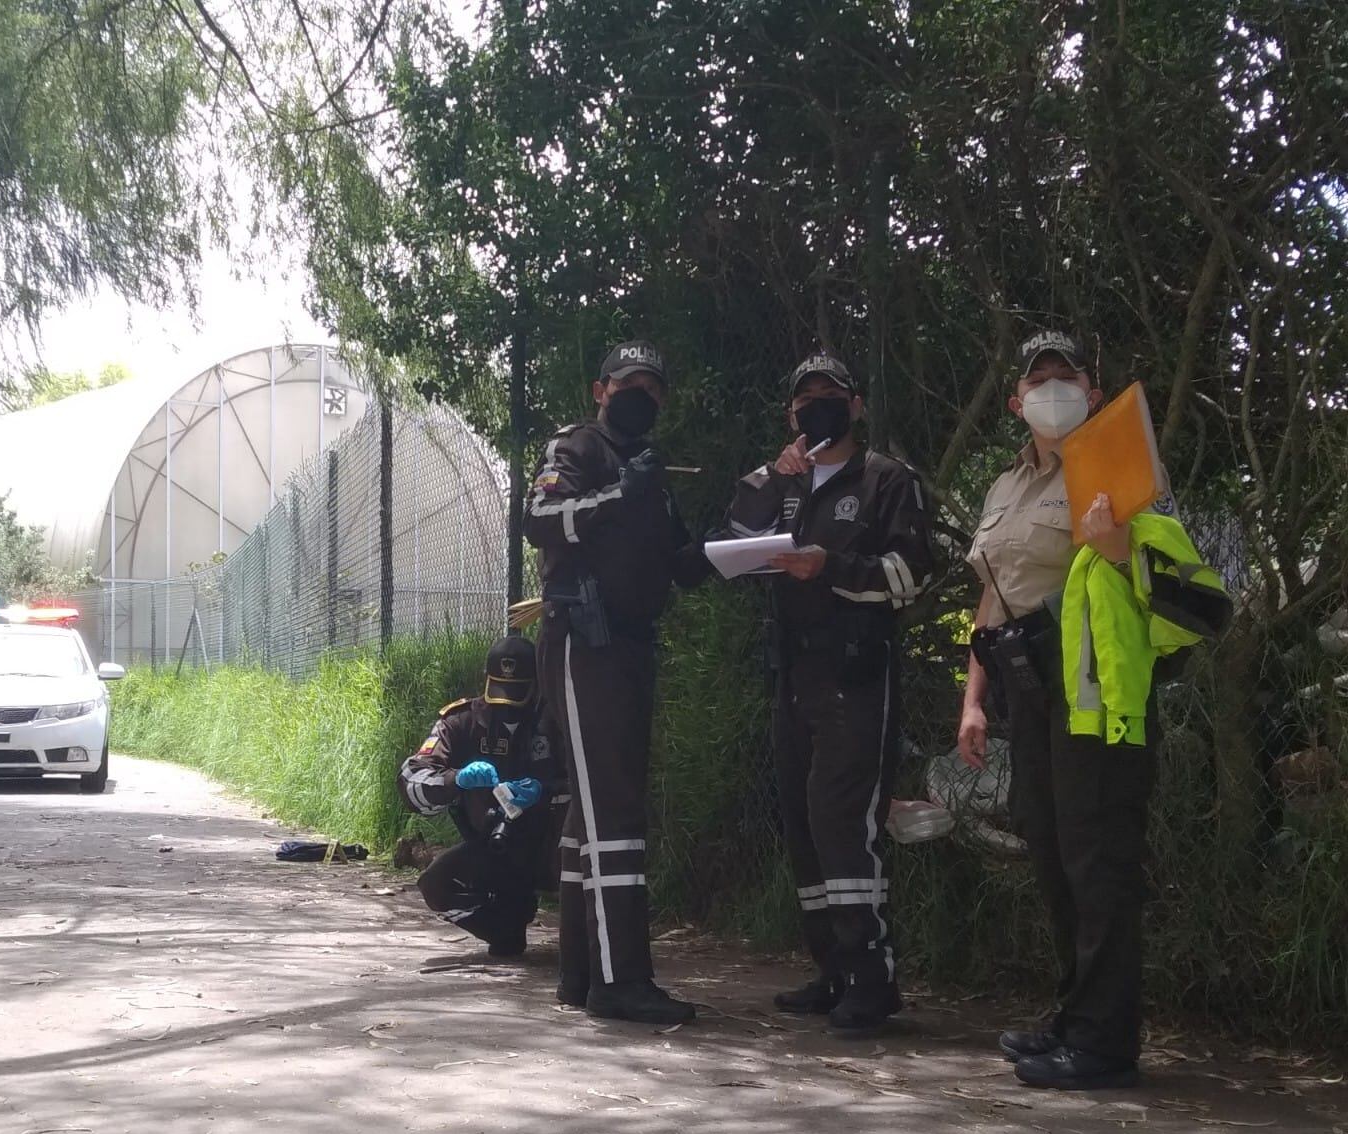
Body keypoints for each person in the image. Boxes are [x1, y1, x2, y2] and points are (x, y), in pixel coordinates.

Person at [958, 330, 1230, 1089]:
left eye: (1066, 376)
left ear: (1093, 392)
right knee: (1050, 853)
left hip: (1096, 693)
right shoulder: (1005, 485)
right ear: (1015, 402)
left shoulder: (1120, 468)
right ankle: (1074, 1017)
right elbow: (993, 597)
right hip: (1026, 688)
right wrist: (973, 702)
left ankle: (1105, 1043)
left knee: (1097, 861)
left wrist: (1116, 550)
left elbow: (1178, 584)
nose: (1052, 388)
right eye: (1037, 379)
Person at [724, 350, 934, 1032]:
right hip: (792, 676)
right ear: (791, 414)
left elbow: (911, 574)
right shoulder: (785, 482)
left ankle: (872, 978)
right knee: (804, 822)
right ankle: (832, 970)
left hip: (856, 674)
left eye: (830, 395)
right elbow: (735, 542)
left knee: (842, 820)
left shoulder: (886, 480)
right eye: (805, 398)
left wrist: (830, 566)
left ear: (856, 406)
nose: (817, 406)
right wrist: (770, 476)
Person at [525, 339, 712, 1024]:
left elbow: (679, 560)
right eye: (629, 383)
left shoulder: (652, 470)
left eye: (653, 388)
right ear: (601, 390)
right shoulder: (577, 448)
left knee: (595, 810)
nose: (642, 395)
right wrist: (616, 494)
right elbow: (538, 521)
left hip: (632, 643)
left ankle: (581, 974)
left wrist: (738, 546)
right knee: (614, 809)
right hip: (586, 638)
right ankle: (620, 979)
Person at [396, 635, 568, 957]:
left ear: (537, 685)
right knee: (436, 883)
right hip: (493, 845)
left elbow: (591, 782)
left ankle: (584, 947)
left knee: (581, 865)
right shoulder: (462, 721)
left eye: (518, 693)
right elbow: (410, 780)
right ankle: (504, 926)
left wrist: (544, 791)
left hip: (552, 845)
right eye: (500, 692)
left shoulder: (557, 719)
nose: (507, 706)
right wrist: (456, 780)